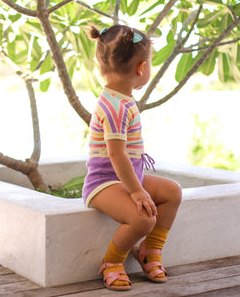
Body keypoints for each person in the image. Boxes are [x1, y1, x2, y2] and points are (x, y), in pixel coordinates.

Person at [82, 24, 182, 291]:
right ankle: (112, 262)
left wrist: (136, 186)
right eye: (150, 62)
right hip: (103, 183)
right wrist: (137, 191)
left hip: (125, 177)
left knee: (172, 192)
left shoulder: (121, 98)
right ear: (141, 68)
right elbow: (116, 155)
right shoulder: (115, 106)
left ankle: (150, 250)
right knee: (143, 219)